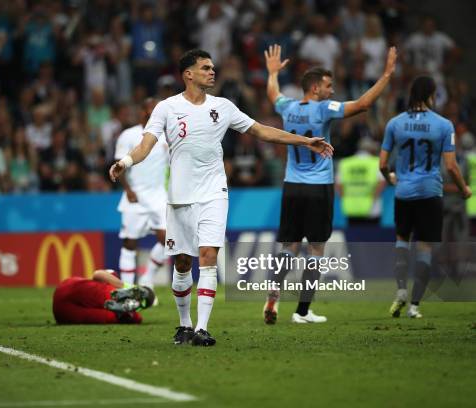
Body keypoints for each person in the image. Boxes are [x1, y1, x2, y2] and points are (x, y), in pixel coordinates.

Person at [110, 49, 333, 346]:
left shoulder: (223, 106)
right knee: (181, 264)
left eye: (212, 67)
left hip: (214, 193)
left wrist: (305, 141)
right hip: (180, 197)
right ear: (188, 74)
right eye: (205, 68)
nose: (212, 72)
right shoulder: (166, 108)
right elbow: (146, 145)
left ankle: (202, 328)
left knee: (209, 257)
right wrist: (124, 163)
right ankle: (185, 324)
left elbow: (262, 131)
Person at [262, 44, 396, 324]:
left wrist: (272, 72)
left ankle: (273, 296)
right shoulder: (323, 109)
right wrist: (385, 75)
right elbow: (363, 105)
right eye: (328, 85)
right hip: (318, 187)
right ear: (314, 89)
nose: (331, 90)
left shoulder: (287, 107)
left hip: (291, 185)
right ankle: (302, 312)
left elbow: (273, 94)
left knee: (289, 247)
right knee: (316, 249)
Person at [380, 76, 471, 319]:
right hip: (430, 192)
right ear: (431, 94)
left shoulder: (394, 123)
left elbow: (382, 163)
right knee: (424, 247)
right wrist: (464, 189)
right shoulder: (443, 125)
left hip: (404, 192)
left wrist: (390, 177)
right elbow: (451, 166)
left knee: (401, 239)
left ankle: (400, 290)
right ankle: (414, 306)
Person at [115, 98, 168, 288]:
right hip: (135, 195)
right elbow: (119, 166)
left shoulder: (165, 136)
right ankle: (128, 288)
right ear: (142, 112)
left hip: (159, 195)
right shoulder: (128, 135)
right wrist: (128, 189)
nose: (152, 113)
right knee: (130, 242)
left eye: (156, 110)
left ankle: (147, 278)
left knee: (169, 240)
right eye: (149, 109)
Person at [53, 269, 156, 325]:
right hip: (63, 314)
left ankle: (122, 301)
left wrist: (124, 286)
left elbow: (97, 274)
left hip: (68, 288)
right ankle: (125, 313)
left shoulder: (113, 276)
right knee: (111, 317)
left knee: (105, 291)